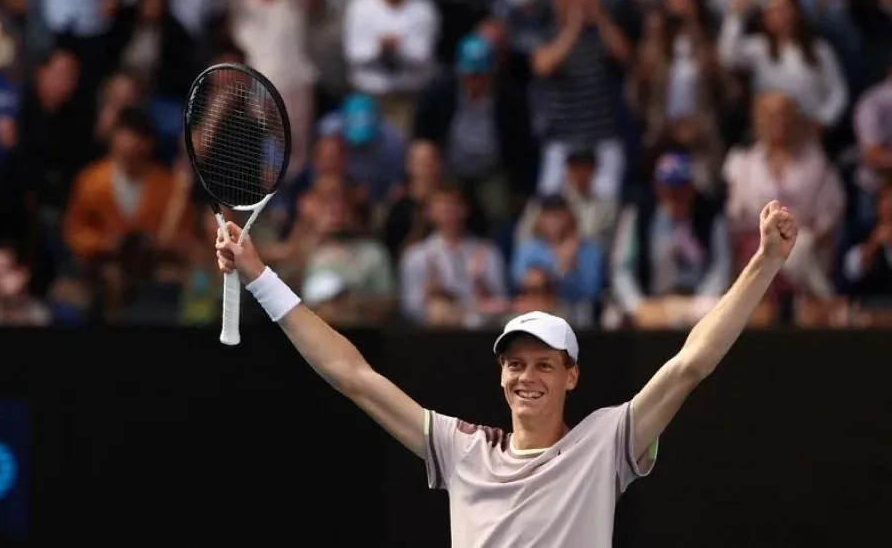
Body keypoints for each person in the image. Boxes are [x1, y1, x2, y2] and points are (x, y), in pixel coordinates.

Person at [215, 200, 799, 547]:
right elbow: (354, 376)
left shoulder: (605, 443)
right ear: (499, 375)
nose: (527, 376)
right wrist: (260, 274)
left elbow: (689, 365)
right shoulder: (462, 448)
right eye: (515, 363)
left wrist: (765, 262)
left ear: (572, 377)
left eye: (545, 364)